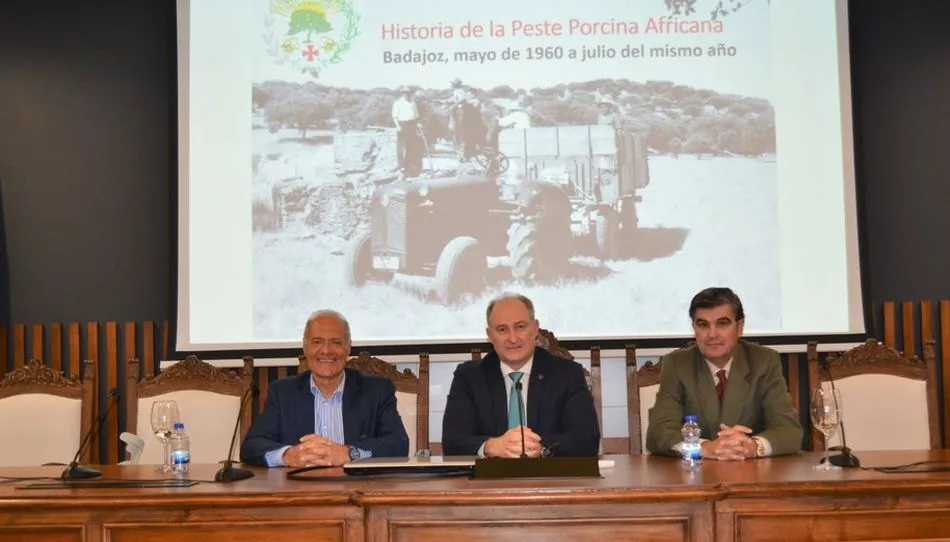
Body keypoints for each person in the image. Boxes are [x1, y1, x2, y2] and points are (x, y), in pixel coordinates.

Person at [645, 287, 802, 459]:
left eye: (722, 323)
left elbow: (788, 430)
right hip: (696, 476)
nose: (712, 334)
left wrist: (752, 446)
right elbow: (658, 433)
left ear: (740, 327)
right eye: (703, 325)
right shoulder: (677, 364)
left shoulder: (764, 361)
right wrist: (703, 448)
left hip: (752, 475)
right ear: (694, 328)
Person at [240, 310, 409, 467]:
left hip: (357, 490)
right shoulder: (282, 392)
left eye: (336, 342)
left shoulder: (377, 390)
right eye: (317, 342)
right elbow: (251, 446)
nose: (326, 351)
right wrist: (287, 455)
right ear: (305, 347)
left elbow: (398, 443)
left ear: (348, 347)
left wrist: (349, 453)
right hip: (298, 491)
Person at [441, 293, 600, 457]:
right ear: (490, 335)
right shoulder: (469, 377)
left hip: (550, 478)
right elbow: (452, 442)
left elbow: (587, 439)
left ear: (535, 328)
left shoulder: (567, 374)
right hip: (488, 479)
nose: (513, 338)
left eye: (520, 327)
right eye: (502, 329)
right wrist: (491, 446)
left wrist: (539, 447)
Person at [391, 86, 421, 176]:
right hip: (402, 124)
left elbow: (416, 115)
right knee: (402, 147)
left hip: (412, 124)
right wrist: (398, 126)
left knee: (411, 146)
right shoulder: (398, 103)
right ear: (402, 93)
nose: (407, 94)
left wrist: (418, 124)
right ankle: (401, 166)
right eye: (405, 93)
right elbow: (395, 116)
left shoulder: (413, 103)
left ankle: (408, 165)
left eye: (409, 93)